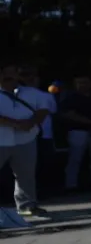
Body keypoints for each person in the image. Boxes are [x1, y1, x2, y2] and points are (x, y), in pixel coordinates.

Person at [0, 63, 51, 219]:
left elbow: (43, 109)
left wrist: (32, 122)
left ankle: (27, 205)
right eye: (5, 74)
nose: (9, 77)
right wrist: (16, 124)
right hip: (1, 140)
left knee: (26, 174)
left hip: (26, 139)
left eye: (12, 73)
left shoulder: (32, 92)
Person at [15, 67, 58, 198]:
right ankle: (38, 193)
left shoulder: (43, 95)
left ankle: (40, 192)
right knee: (32, 166)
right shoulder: (14, 94)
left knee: (36, 165)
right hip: (31, 134)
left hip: (39, 134)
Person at [59, 76, 91, 191]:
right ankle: (71, 185)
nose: (83, 85)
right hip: (78, 131)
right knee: (75, 159)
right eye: (79, 83)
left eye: (85, 82)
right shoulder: (71, 97)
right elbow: (68, 114)